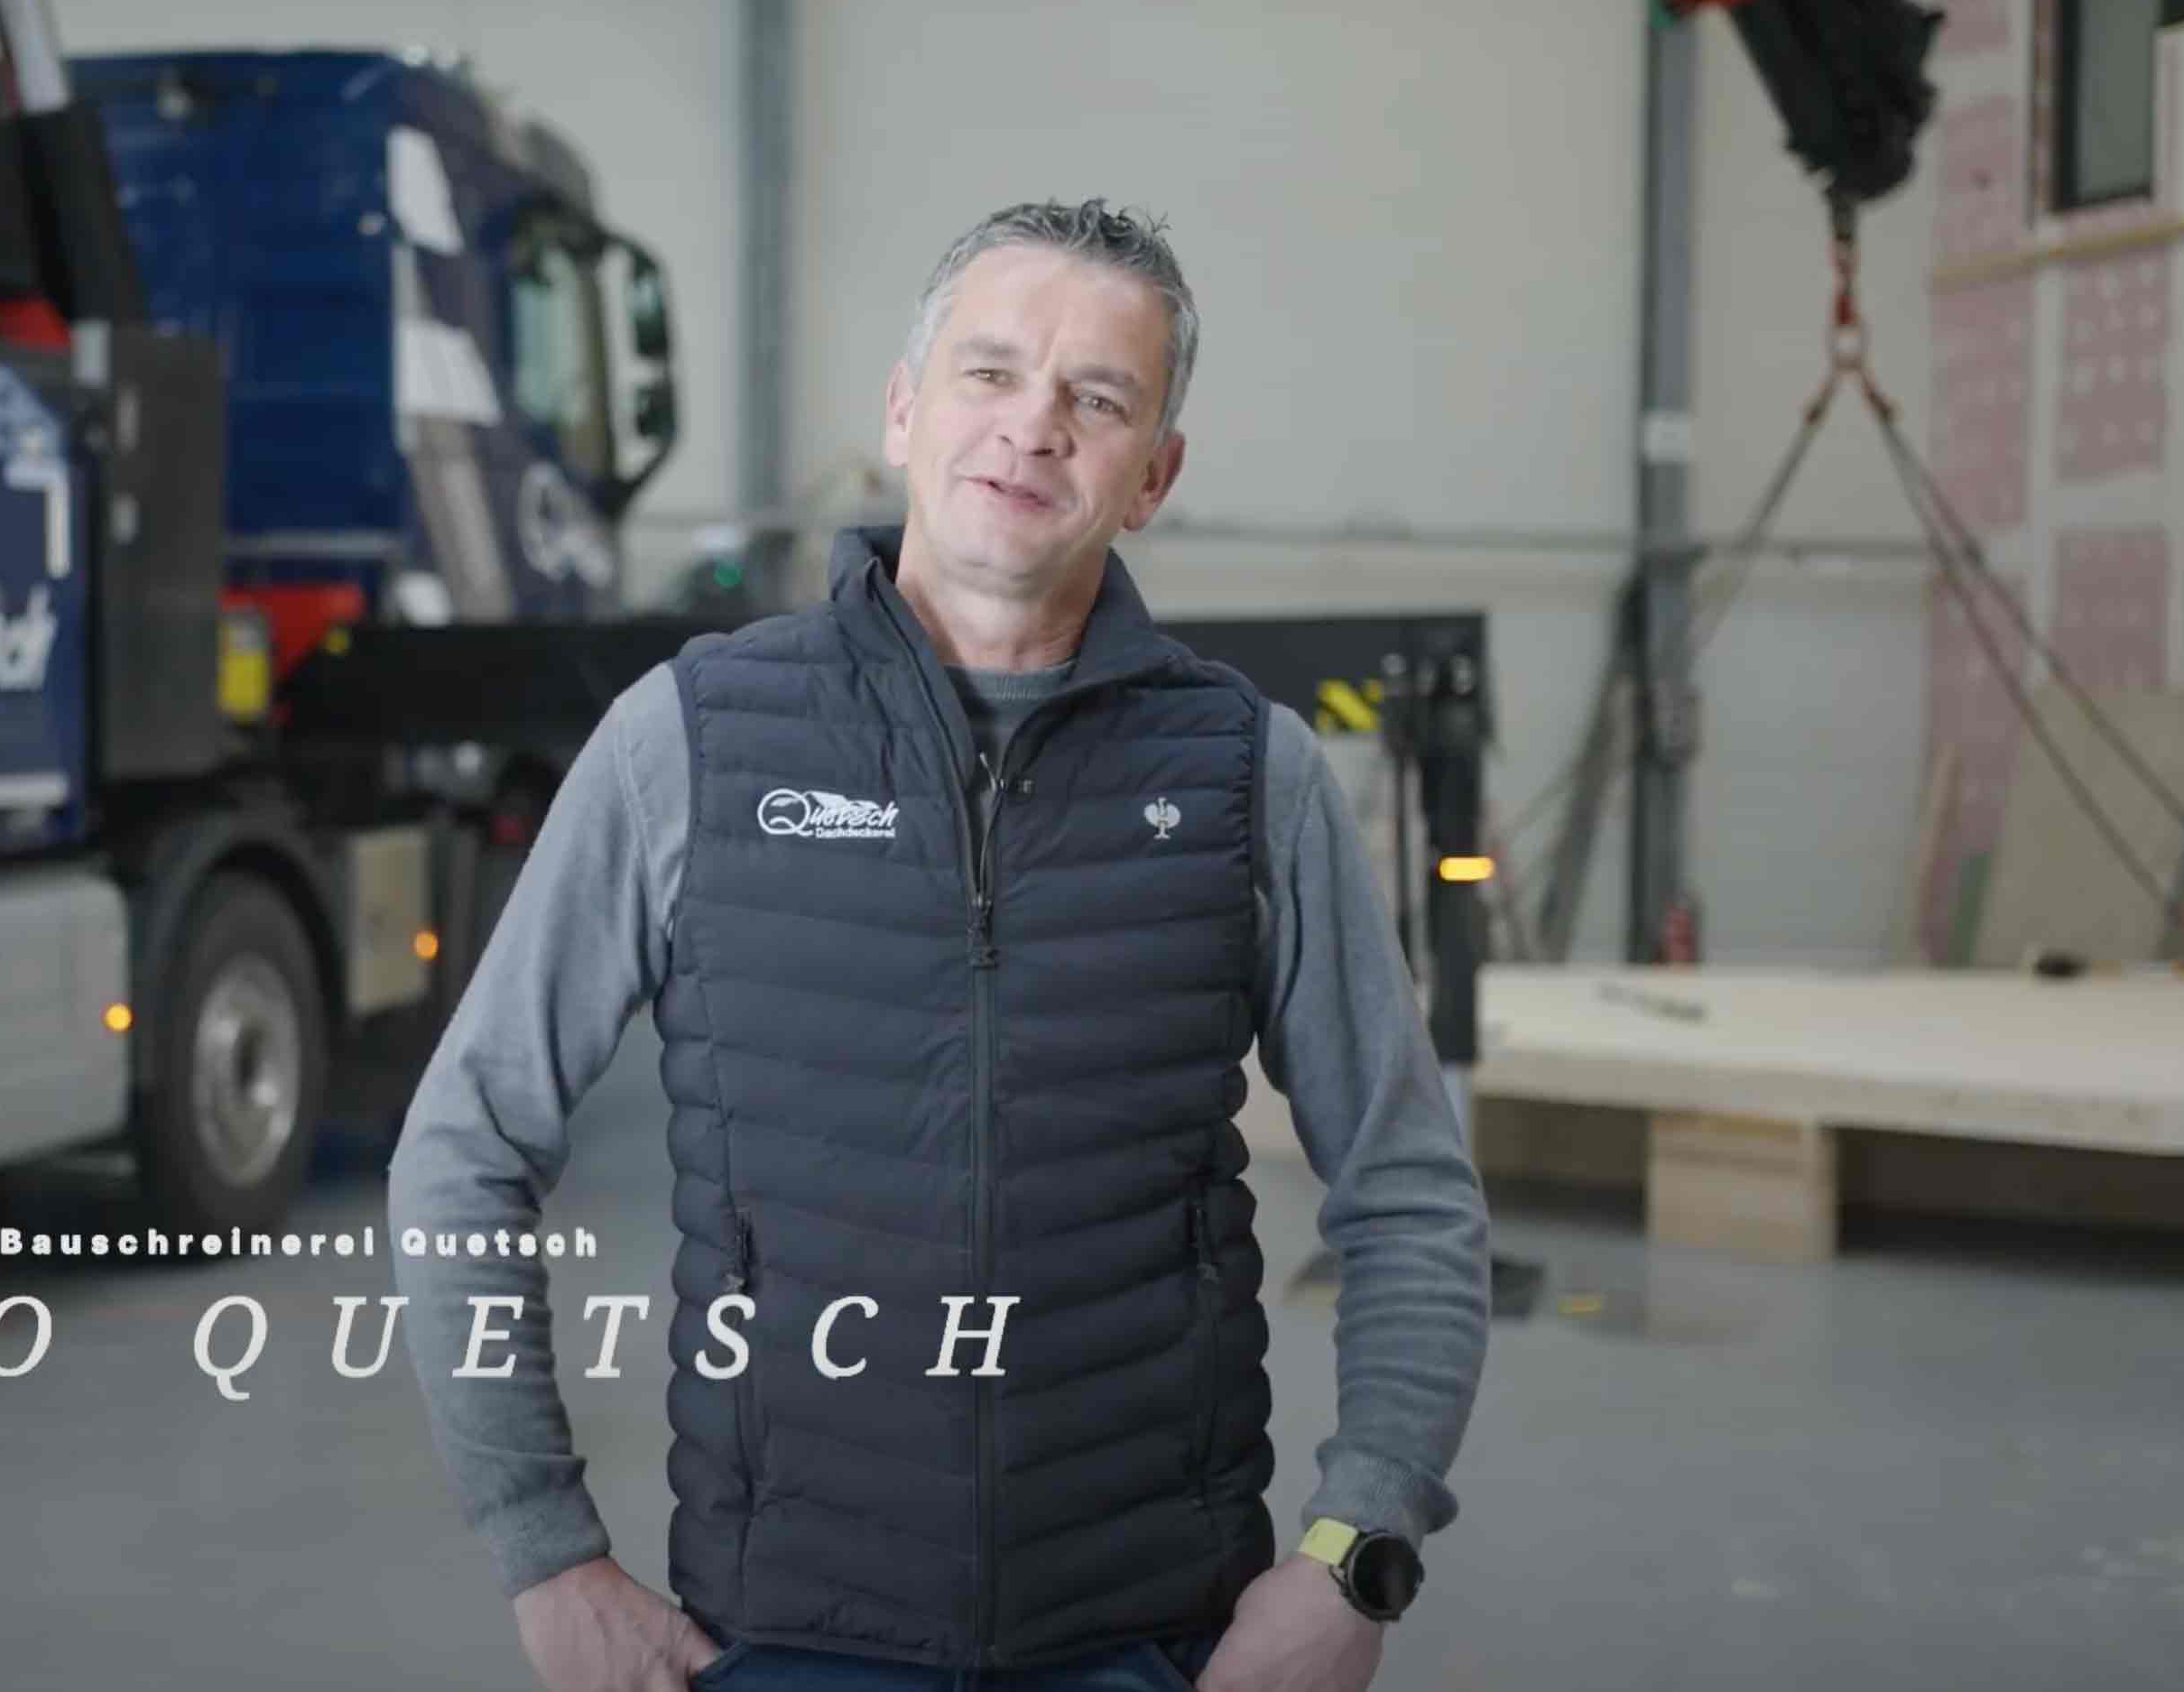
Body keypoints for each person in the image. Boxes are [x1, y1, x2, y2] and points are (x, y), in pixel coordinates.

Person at [386, 199, 1491, 1692]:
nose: (1033, 427)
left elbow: (1411, 1191)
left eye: (1097, 399)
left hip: (1156, 1639)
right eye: (989, 373)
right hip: (783, 1636)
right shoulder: (689, 744)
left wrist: (1356, 1556)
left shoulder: (1249, 775)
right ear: (904, 412)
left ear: (1151, 476)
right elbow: (462, 1142)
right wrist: (543, 1549)